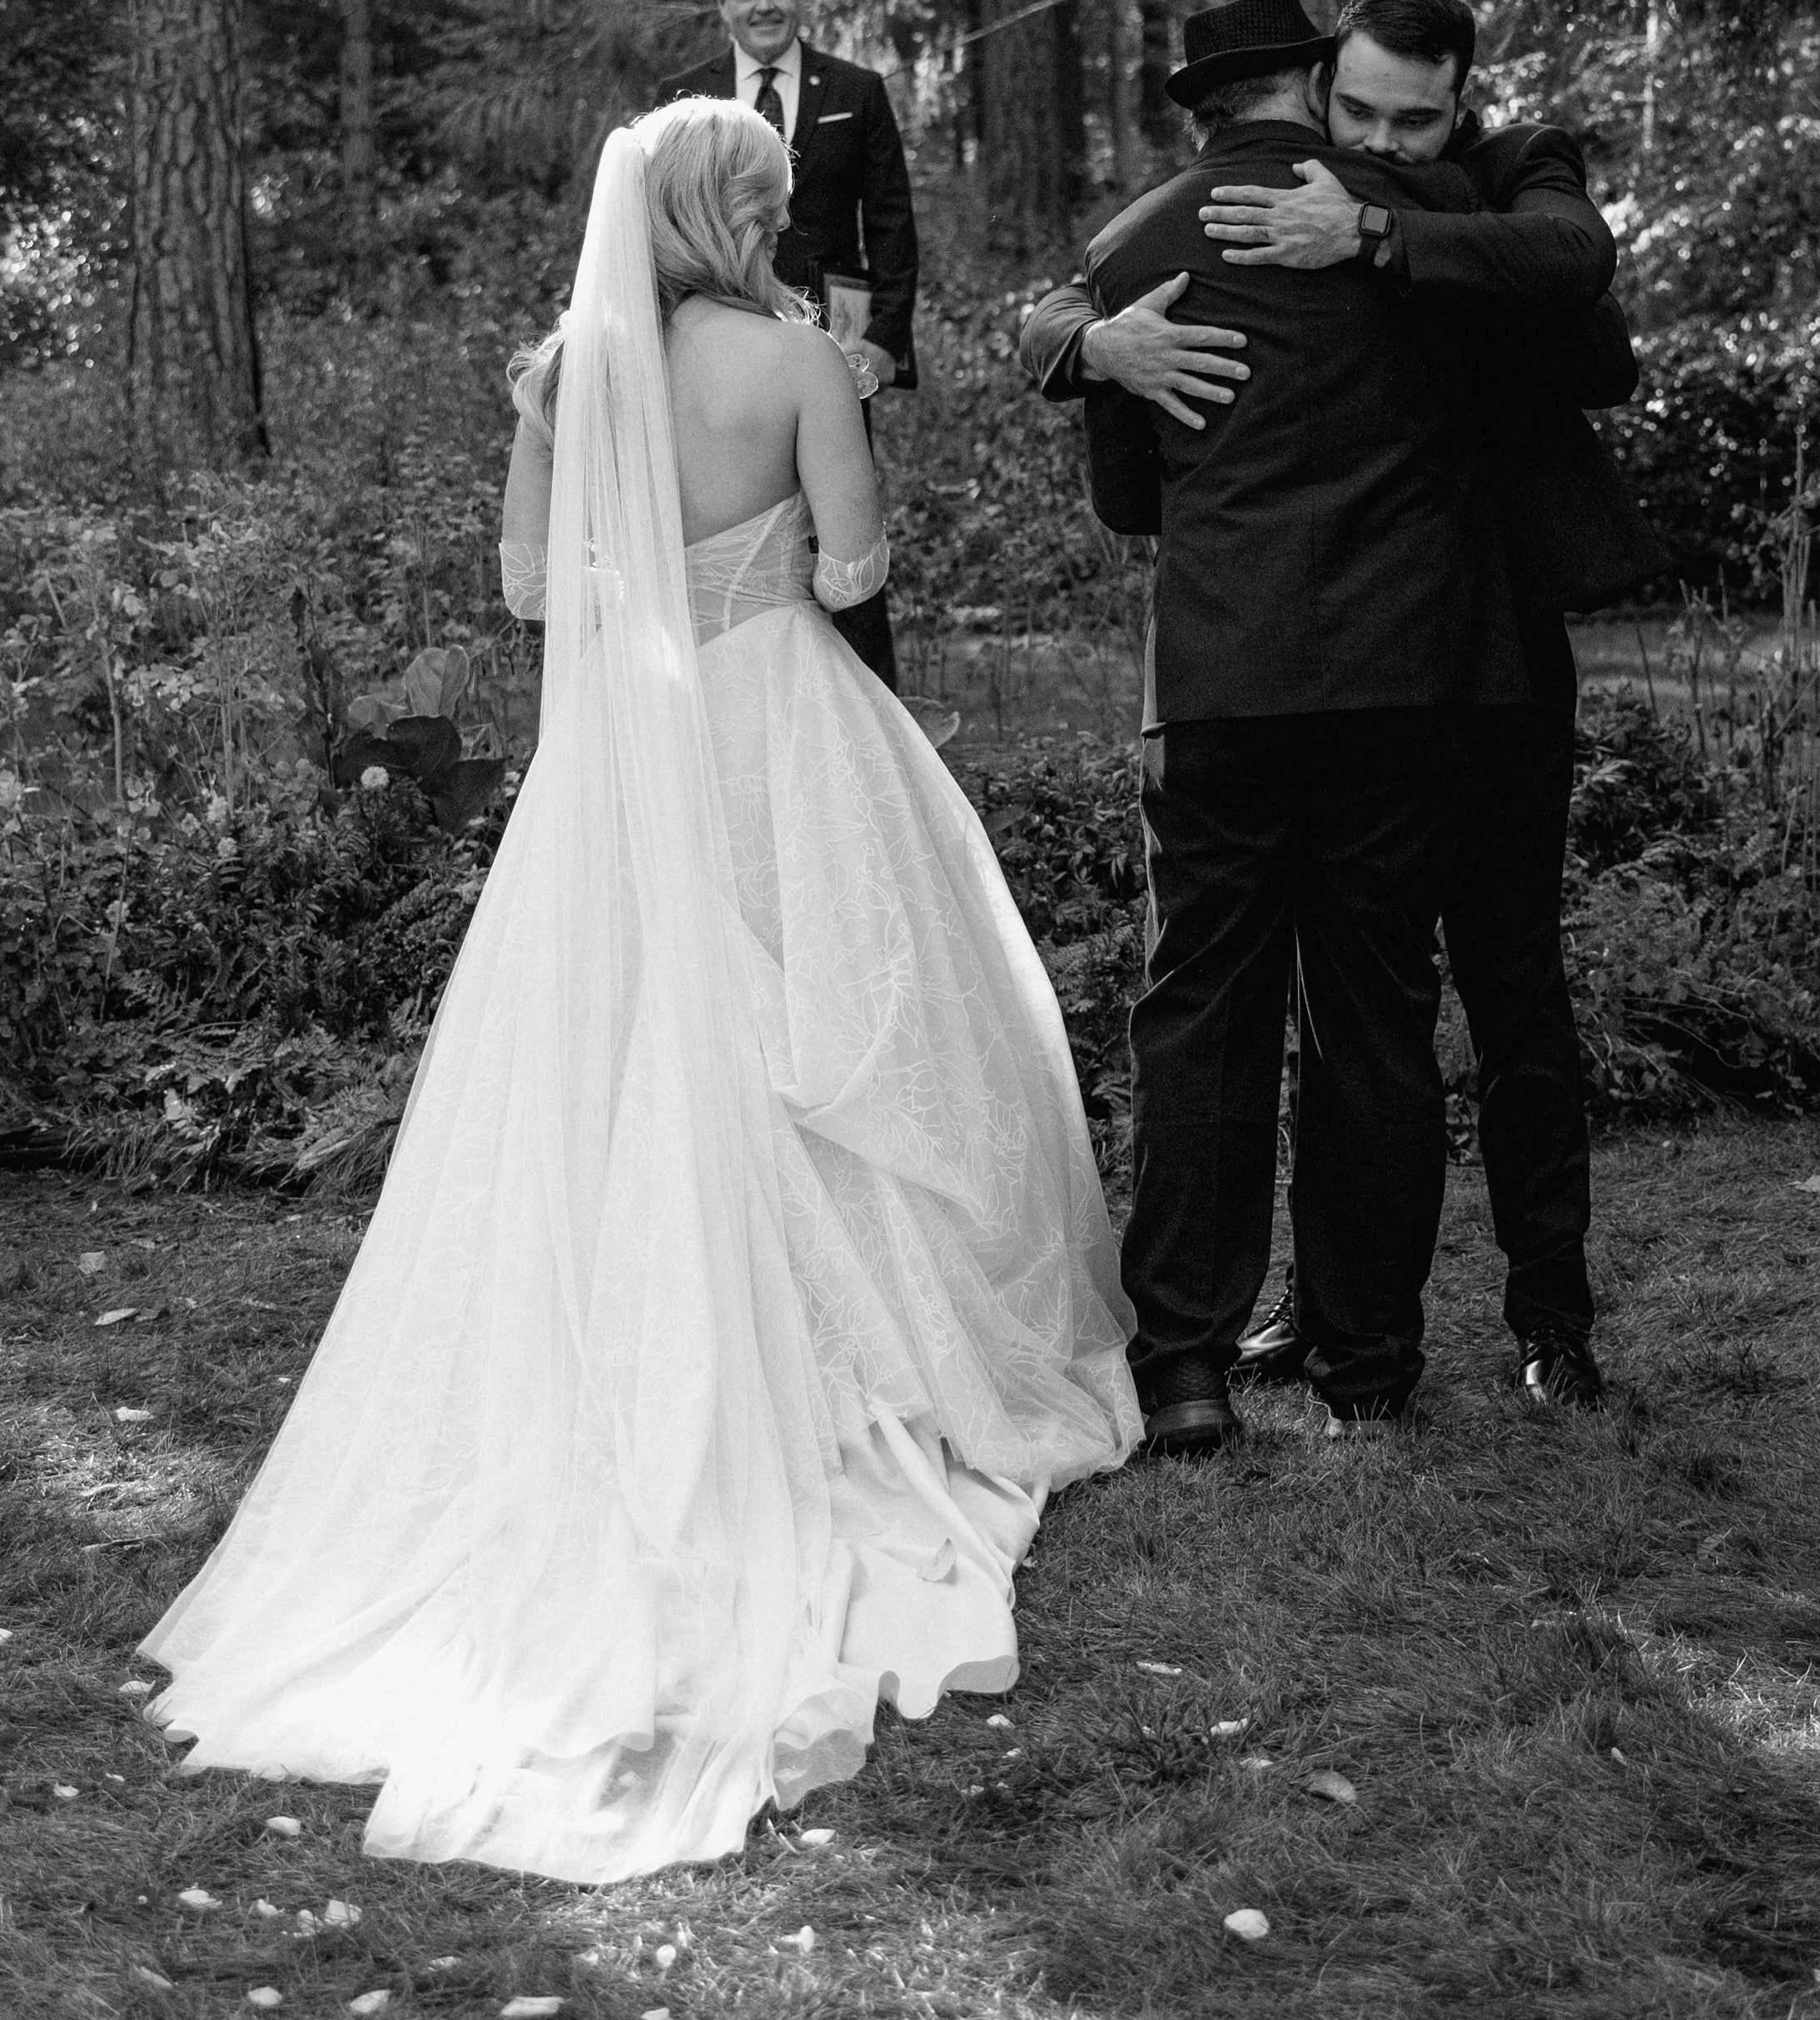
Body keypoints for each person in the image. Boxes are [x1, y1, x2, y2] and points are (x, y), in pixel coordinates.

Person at [140, 98, 1136, 1882]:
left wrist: (641, 573)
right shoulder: (798, 359)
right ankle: (867, 1360)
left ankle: (636, 1332)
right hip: (774, 726)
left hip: (621, 755)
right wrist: (760, 569)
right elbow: (860, 569)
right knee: (834, 1023)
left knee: (615, 1050)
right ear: (738, 210)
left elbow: (534, 587)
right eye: (769, 194)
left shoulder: (557, 375)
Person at [1022, 0, 1663, 1419]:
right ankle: (1369, 1364)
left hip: (1220, 678)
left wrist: (1096, 347)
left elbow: (1131, 498)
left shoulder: (1142, 247)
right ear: (1310, 86)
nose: (1372, 134)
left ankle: (1182, 1362)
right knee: (1372, 1010)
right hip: (1402, 678)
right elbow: (1553, 356)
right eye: (1352, 105)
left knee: (1196, 1008)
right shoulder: (1412, 263)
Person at [672, 0, 919, 689]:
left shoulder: (856, 91)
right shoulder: (687, 95)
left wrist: (882, 341)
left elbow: (892, 226)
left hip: (829, 349)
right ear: (722, 6)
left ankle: (865, 698)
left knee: (839, 521)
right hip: (713, 343)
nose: (765, 5)